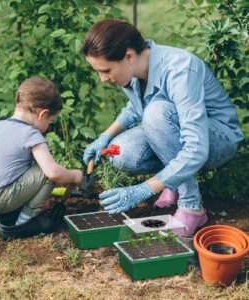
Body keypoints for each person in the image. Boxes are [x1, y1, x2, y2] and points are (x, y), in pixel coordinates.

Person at [82, 19, 244, 236]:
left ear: (129, 56)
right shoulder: (132, 74)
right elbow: (134, 108)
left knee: (156, 113)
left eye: (106, 70)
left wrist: (143, 189)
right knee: (121, 153)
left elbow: (196, 148)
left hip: (217, 139)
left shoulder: (180, 69)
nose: (102, 79)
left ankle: (191, 206)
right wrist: (104, 136)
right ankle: (173, 182)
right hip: (175, 132)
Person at [0, 77, 83, 238]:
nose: (49, 125)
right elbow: (53, 173)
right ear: (42, 114)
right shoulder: (31, 134)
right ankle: (22, 223)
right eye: (50, 121)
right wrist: (74, 175)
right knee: (45, 172)